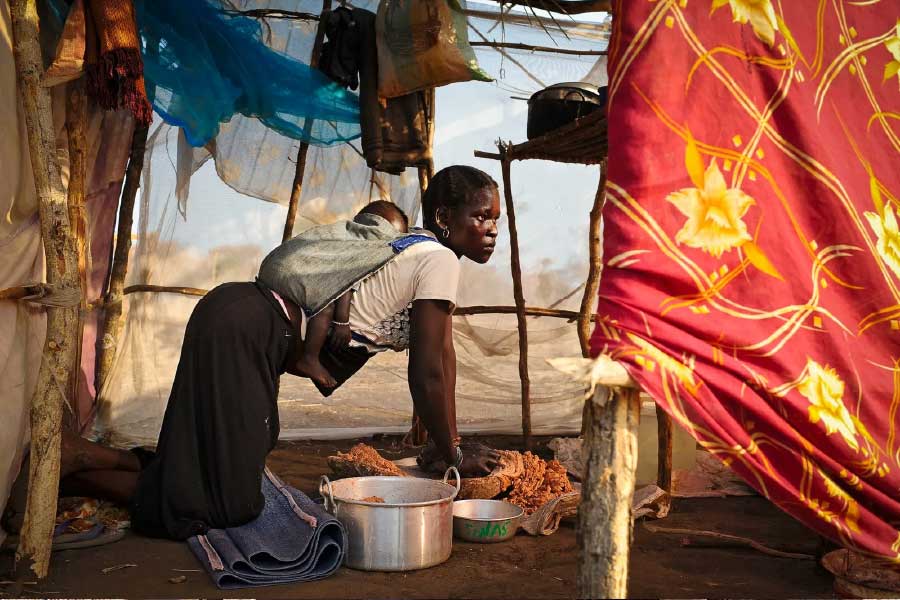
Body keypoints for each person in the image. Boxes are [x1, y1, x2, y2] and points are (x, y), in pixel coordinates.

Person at [17, 165, 502, 541]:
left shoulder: (414, 251)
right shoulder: (437, 259)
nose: (492, 229)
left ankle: (83, 456)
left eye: (496, 219)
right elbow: (427, 375)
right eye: (481, 216)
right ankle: (75, 476)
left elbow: (443, 361)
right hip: (243, 331)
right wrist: (454, 454)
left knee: (209, 461)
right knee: (226, 504)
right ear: (444, 218)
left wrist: (447, 445)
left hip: (236, 316)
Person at [291, 201, 410, 389]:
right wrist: (342, 322)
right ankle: (310, 358)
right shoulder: (355, 251)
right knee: (325, 308)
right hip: (316, 288)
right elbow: (346, 283)